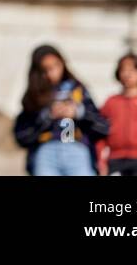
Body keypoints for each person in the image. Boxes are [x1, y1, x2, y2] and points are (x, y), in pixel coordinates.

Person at [13, 44, 109, 175]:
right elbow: (22, 135)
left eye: (56, 66)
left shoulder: (78, 90)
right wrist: (48, 115)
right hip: (46, 151)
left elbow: (102, 126)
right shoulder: (35, 96)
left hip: (76, 148)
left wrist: (78, 112)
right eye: (46, 69)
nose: (52, 72)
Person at [96, 52, 137, 175]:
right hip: (115, 160)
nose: (128, 74)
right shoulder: (111, 102)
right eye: (123, 69)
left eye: (133, 70)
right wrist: (101, 160)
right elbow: (100, 134)